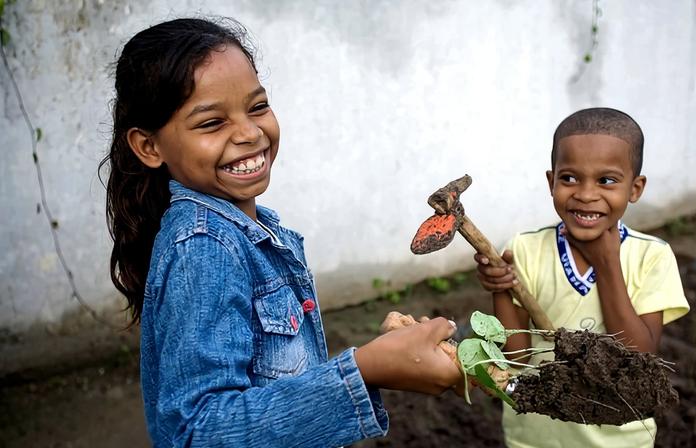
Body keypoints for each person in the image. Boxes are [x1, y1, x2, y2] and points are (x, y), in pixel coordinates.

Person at [100, 17, 461, 447]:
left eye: (257, 107)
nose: (250, 133)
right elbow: (199, 433)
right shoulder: (204, 247)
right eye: (212, 123)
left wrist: (383, 360)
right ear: (149, 146)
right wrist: (365, 369)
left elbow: (279, 384)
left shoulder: (253, 230)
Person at [474, 108, 690, 448]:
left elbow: (638, 356)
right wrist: (500, 290)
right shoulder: (525, 249)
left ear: (635, 188)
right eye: (570, 178)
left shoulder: (651, 256)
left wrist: (607, 265)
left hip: (620, 440)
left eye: (606, 180)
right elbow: (515, 358)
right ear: (551, 181)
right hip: (535, 435)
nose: (586, 194)